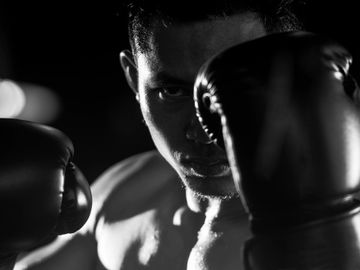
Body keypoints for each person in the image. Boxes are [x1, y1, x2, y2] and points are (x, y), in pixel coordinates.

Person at [14, 1, 303, 269]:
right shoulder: (126, 195)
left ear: (289, 78)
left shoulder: (322, 237)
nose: (202, 133)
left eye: (231, 92)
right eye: (172, 92)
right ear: (133, 79)